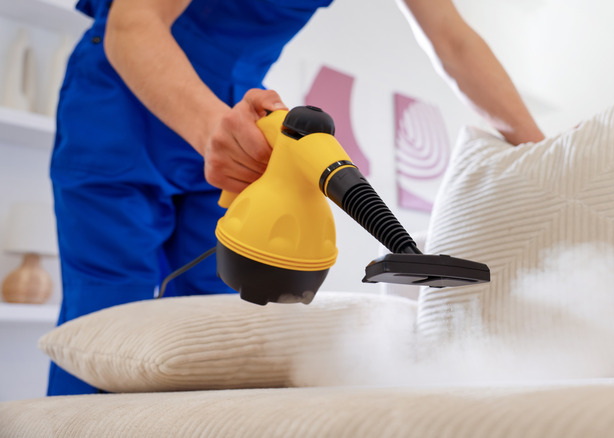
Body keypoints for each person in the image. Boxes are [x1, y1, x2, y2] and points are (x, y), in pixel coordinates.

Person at [48, 0, 546, 395]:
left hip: (239, 118)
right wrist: (213, 133)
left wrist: (542, 157)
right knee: (107, 317)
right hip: (127, 103)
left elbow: (454, 41)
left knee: (216, 330)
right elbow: (134, 22)